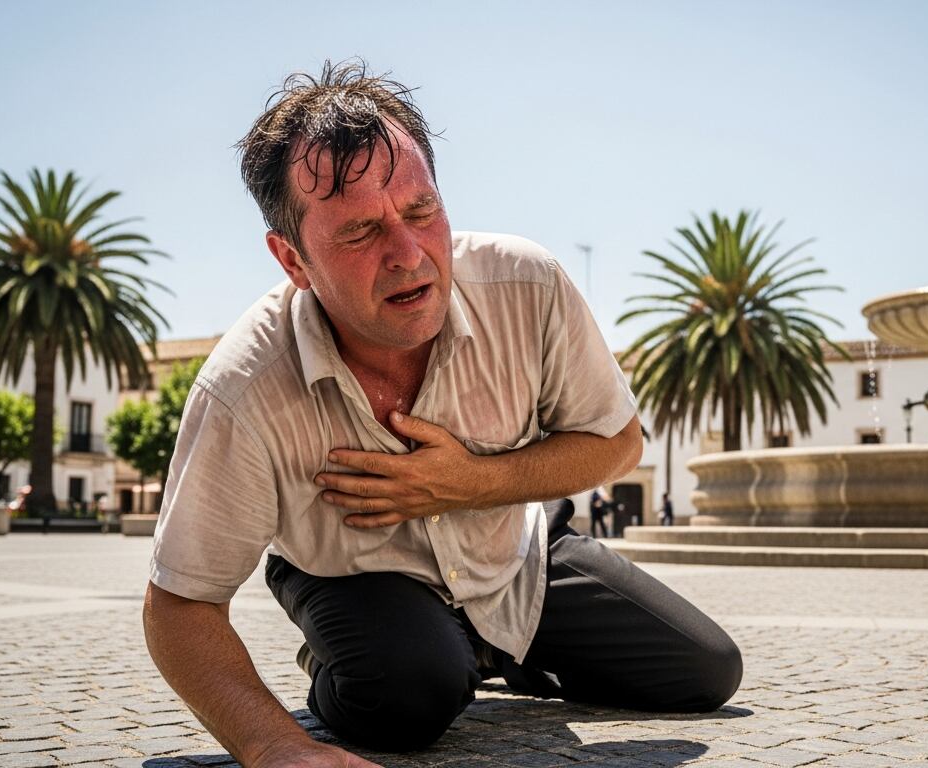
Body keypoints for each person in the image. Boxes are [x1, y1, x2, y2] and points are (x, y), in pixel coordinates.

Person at [142, 61, 741, 768]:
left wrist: (469, 484)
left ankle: (489, 651)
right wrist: (275, 746)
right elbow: (178, 606)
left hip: (515, 551)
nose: (408, 255)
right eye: (360, 232)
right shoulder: (242, 389)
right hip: (349, 573)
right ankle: (395, 657)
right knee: (406, 697)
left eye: (421, 210)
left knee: (706, 671)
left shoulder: (528, 283)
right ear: (292, 259)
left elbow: (617, 442)